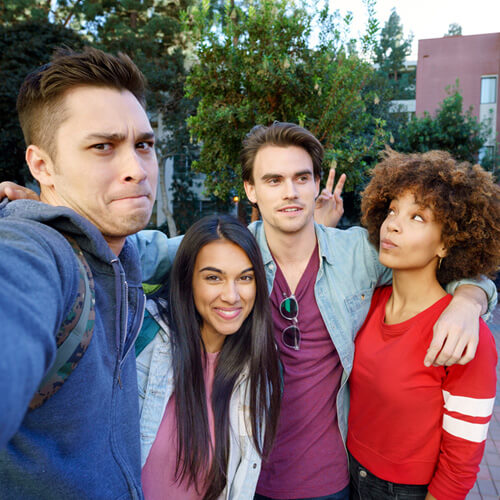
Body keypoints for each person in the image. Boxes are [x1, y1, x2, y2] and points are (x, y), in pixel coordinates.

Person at [2, 122, 496, 498]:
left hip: (329, 476)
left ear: (316, 183)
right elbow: (135, 249)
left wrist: (470, 299)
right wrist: (60, 215)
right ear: (251, 190)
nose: (290, 191)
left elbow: (441, 257)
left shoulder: (360, 256)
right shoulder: (230, 252)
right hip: (243, 472)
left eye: (302, 178)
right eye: (274, 179)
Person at [0, 47, 159, 498]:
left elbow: (184, 250)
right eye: (102, 147)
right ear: (41, 166)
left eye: (143, 145)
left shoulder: (121, 251)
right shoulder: (32, 251)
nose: (136, 170)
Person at [347, 149, 499, 500]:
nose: (393, 224)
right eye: (393, 211)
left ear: (446, 243)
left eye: (417, 217)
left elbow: (461, 462)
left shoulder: (463, 333)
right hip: (347, 473)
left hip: (405, 492)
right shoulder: (369, 302)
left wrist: (470, 299)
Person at [137, 215, 281, 500]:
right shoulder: (141, 336)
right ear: (187, 279)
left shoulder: (258, 364)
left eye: (245, 278)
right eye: (213, 277)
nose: (232, 295)